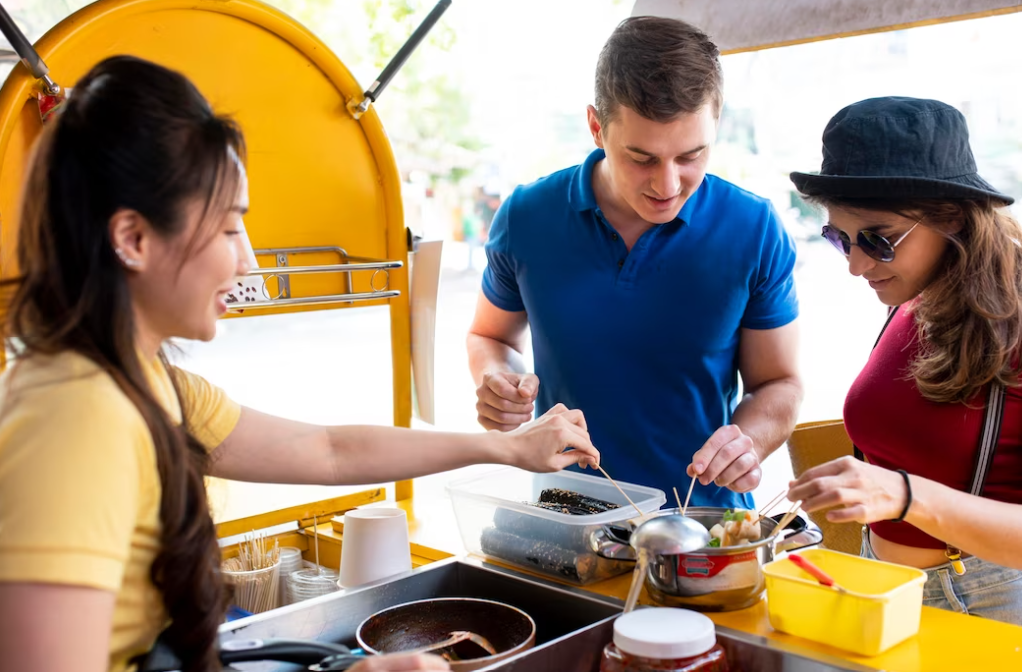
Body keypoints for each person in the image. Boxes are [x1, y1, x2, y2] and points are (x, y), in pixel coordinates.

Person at [0, 56, 600, 672]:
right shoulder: (74, 415)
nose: (248, 264)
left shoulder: (149, 384)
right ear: (132, 239)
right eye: (230, 228)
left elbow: (329, 450)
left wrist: (508, 447)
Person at [466, 16, 802, 506]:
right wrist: (498, 381)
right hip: (565, 515)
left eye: (691, 155)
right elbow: (489, 337)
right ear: (596, 127)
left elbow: (779, 382)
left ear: (716, 124)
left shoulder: (753, 228)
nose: (667, 186)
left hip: (704, 525)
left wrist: (747, 442)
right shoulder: (527, 216)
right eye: (642, 158)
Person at [787, 96, 1022, 624]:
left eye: (878, 239)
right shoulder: (920, 293)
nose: (856, 265)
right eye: (840, 238)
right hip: (886, 588)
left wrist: (905, 496)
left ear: (954, 219)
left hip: (986, 603)